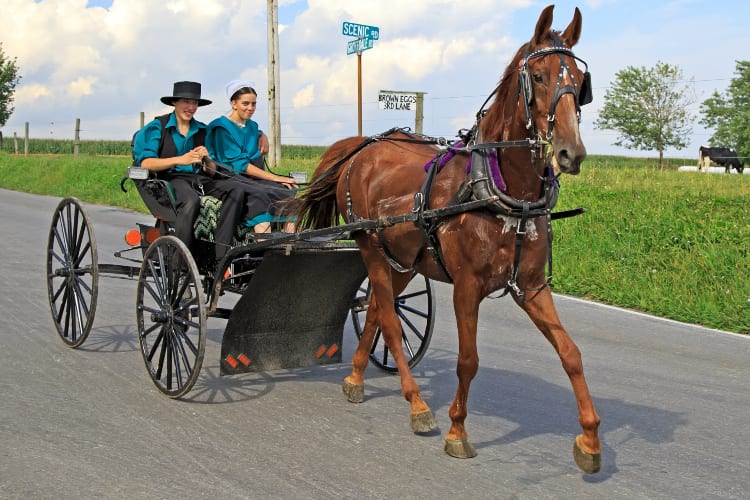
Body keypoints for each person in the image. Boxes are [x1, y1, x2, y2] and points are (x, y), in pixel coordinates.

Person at [132, 81, 245, 258]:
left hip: (199, 179)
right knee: (191, 201)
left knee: (236, 191)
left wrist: (207, 158)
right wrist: (179, 159)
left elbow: (212, 171)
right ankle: (180, 259)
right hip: (170, 179)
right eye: (186, 102)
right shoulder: (157, 127)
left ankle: (221, 254)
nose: (191, 107)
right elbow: (146, 163)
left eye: (194, 103)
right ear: (174, 103)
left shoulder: (202, 130)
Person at [207, 80, 297, 233]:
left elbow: (252, 132)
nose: (250, 108)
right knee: (260, 194)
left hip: (252, 178)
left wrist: (262, 135)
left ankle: (290, 244)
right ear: (234, 104)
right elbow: (240, 165)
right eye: (245, 103)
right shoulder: (221, 127)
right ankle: (265, 246)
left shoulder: (252, 126)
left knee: (286, 192)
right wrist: (275, 177)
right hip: (231, 177)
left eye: (253, 104)